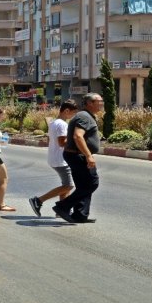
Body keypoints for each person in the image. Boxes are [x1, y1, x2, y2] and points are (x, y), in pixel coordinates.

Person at [52, 93, 103, 223]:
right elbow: (77, 136)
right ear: (89, 103)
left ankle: (80, 215)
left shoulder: (86, 116)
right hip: (78, 155)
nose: (101, 103)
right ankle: (63, 206)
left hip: (74, 154)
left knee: (83, 185)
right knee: (92, 183)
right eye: (99, 101)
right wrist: (88, 155)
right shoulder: (84, 117)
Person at [28, 99, 79, 217]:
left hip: (55, 158)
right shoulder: (62, 124)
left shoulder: (53, 123)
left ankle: (62, 209)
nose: (74, 116)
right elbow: (62, 142)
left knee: (65, 185)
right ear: (66, 111)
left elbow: (50, 140)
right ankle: (38, 200)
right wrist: (76, 141)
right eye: (73, 113)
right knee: (69, 185)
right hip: (61, 159)